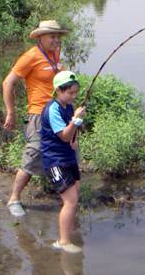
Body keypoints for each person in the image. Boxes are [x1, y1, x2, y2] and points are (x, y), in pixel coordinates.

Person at [3, 20, 71, 218]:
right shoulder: (30, 56)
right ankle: (14, 198)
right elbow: (8, 82)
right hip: (38, 115)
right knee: (34, 154)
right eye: (53, 36)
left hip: (59, 112)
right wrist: (11, 112)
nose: (57, 40)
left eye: (58, 36)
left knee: (65, 151)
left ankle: (64, 192)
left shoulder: (55, 54)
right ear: (40, 37)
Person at [40, 71, 86, 253]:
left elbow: (70, 135)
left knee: (76, 190)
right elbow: (64, 134)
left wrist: (75, 139)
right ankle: (63, 241)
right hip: (55, 161)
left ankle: (71, 227)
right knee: (71, 200)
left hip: (68, 156)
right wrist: (76, 120)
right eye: (70, 92)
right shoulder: (52, 109)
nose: (74, 96)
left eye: (76, 92)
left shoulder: (68, 105)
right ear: (58, 91)